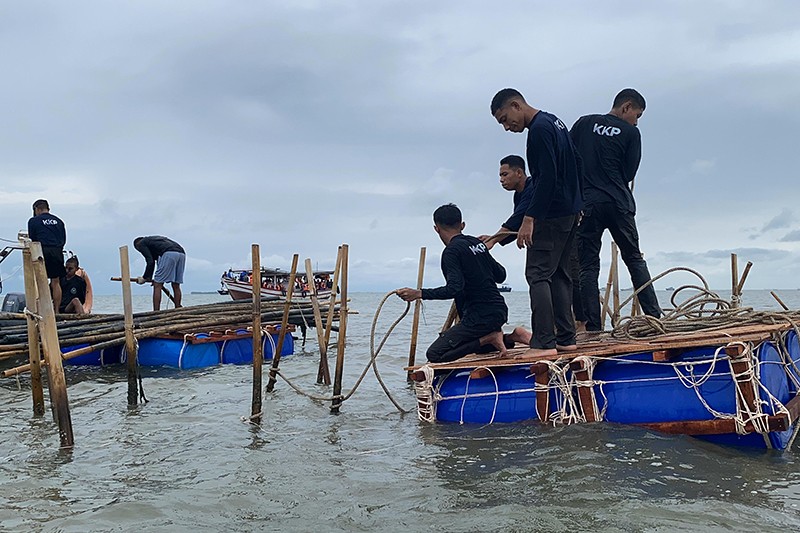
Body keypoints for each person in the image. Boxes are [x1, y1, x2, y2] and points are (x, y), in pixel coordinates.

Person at [491, 88, 583, 357]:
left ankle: (543, 343)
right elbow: (576, 162)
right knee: (560, 274)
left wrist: (530, 218)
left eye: (505, 119)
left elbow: (546, 178)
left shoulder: (539, 130)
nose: (507, 127)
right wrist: (578, 202)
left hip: (550, 214)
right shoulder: (555, 122)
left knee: (538, 274)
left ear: (516, 105)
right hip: (569, 211)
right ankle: (566, 338)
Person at [570, 88, 661, 331]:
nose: (636, 121)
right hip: (619, 203)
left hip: (588, 204)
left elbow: (568, 158)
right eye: (637, 115)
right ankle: (654, 317)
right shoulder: (631, 133)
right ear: (626, 107)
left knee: (588, 266)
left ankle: (593, 327)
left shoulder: (584, 123)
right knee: (634, 259)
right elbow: (628, 173)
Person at [396, 203, 531, 363]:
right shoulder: (476, 244)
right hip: (499, 312)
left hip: (478, 317)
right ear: (462, 225)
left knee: (435, 354)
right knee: (476, 346)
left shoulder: (451, 252)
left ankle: (490, 338)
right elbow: (501, 275)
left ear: (436, 229)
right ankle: (512, 337)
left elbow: (454, 288)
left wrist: (419, 293)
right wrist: (481, 256)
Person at [479, 155, 587, 333]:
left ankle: (580, 324)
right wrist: (496, 237)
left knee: (562, 276)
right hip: (545, 237)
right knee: (552, 278)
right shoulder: (518, 195)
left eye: (505, 174)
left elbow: (521, 216)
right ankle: (558, 329)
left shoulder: (532, 187)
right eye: (500, 176)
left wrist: (494, 239)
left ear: (519, 173)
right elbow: (519, 223)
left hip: (560, 233)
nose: (501, 180)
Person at [27, 199, 67, 312]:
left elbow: (33, 238)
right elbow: (63, 239)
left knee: (39, 280)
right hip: (57, 251)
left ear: (37, 209)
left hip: (41, 250)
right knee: (56, 281)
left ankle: (40, 309)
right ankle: (56, 310)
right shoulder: (59, 221)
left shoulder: (34, 221)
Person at [133, 235, 186, 311]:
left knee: (157, 285)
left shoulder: (141, 243)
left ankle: (156, 311)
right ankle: (178, 309)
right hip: (181, 253)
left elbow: (150, 261)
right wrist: (151, 278)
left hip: (168, 253)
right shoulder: (155, 242)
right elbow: (158, 262)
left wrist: (144, 278)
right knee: (176, 284)